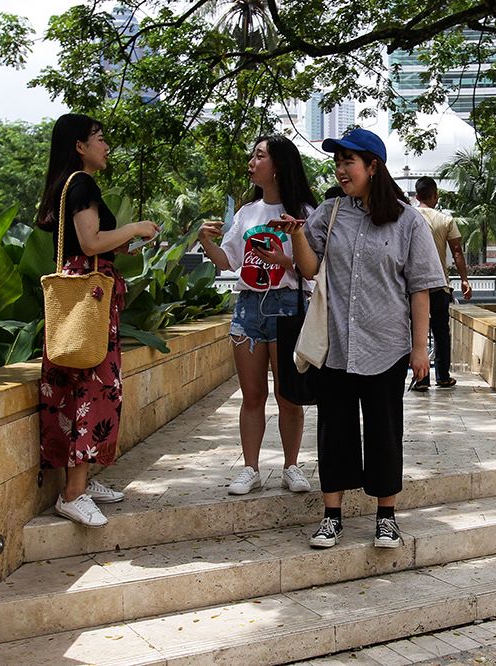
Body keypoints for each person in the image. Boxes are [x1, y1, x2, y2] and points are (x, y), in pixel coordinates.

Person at [281, 128, 445, 549]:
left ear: (373, 166)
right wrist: (298, 234)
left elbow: (420, 287)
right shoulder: (330, 211)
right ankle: (331, 516)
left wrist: (420, 347)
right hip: (334, 343)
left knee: (384, 431)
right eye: (337, 162)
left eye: (348, 161)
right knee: (334, 430)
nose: (340, 170)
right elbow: (310, 268)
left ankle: (386, 516)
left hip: (386, 344)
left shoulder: (408, 221)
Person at [37, 113, 160, 527]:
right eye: (100, 139)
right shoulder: (82, 183)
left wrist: (124, 245)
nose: (106, 146)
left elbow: (90, 245)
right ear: (80, 146)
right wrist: (133, 226)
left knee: (75, 388)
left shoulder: (66, 185)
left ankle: (81, 484)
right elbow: (90, 242)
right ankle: (72, 494)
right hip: (89, 298)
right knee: (94, 388)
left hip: (81, 296)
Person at [198, 135, 317, 495]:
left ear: (277, 165)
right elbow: (228, 262)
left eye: (259, 156)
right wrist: (205, 242)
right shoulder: (247, 213)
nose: (252, 162)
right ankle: (250, 467)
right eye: (253, 155)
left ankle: (291, 466)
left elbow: (312, 269)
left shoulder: (304, 213)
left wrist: (285, 261)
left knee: (288, 395)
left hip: (288, 305)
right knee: (251, 396)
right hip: (249, 307)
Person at [411, 176, 472, 390]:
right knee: (440, 332)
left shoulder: (407, 217)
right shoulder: (445, 220)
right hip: (438, 284)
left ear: (416, 196)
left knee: (414, 331)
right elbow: (456, 252)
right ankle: (443, 375)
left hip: (411, 286)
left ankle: (421, 379)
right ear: (435, 196)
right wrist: (464, 280)